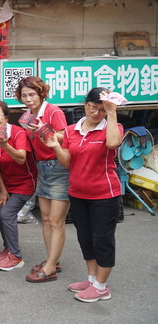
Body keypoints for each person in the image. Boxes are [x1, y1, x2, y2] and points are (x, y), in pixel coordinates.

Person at [43, 88, 122, 302]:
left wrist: (111, 112)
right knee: (85, 238)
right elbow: (68, 163)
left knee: (102, 239)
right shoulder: (71, 131)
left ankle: (102, 286)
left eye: (101, 110)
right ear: (85, 105)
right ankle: (92, 279)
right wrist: (56, 147)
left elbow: (113, 144)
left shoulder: (113, 127)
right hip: (77, 194)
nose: (96, 113)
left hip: (105, 195)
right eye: (93, 107)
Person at [15, 76, 70, 283]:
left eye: (32, 94)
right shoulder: (28, 115)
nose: (28, 99)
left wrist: (43, 130)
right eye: (24, 96)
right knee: (46, 219)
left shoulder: (53, 111)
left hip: (58, 167)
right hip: (42, 167)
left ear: (41, 93)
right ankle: (52, 260)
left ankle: (50, 267)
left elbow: (65, 136)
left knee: (56, 221)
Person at [0, 100, 37, 271]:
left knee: (6, 214)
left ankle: (16, 257)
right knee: (0, 213)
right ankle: (8, 248)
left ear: (6, 117)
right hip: (6, 184)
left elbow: (21, 158)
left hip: (25, 182)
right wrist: (3, 190)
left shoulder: (18, 133)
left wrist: (4, 143)